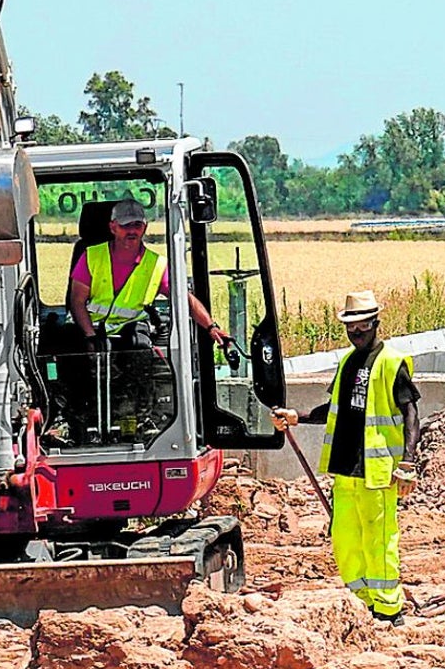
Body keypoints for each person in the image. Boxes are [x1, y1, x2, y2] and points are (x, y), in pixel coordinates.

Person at [270, 291, 420, 627]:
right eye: (351, 327)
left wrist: (408, 463)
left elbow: (411, 414)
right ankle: (362, 602)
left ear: (375, 323)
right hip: (346, 470)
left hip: (377, 471)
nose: (356, 333)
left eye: (362, 326)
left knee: (379, 540)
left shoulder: (391, 362)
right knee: (346, 541)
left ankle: (388, 608)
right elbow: (333, 409)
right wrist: (297, 416)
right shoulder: (347, 363)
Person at [68, 198, 230, 349]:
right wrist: (91, 337)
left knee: (140, 345)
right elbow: (77, 301)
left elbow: (184, 299)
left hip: (131, 333)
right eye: (125, 225)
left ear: (144, 227)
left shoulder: (157, 265)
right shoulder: (91, 256)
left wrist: (211, 327)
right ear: (113, 227)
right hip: (91, 327)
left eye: (137, 225)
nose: (132, 231)